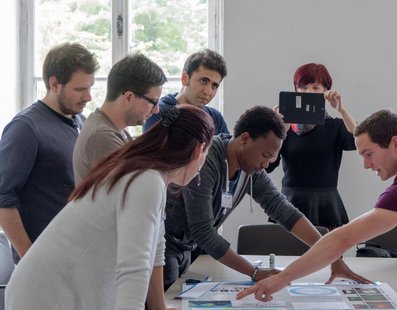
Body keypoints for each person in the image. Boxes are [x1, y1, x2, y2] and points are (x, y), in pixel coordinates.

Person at [5, 105, 212, 310]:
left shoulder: (150, 174)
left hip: (49, 292)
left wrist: (158, 307)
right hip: (46, 300)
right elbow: (134, 264)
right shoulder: (146, 180)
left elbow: (156, 246)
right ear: (199, 150)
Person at [236, 109, 397, 302]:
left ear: (394, 143)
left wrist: (282, 278)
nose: (366, 165)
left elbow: (343, 238)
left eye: (369, 154)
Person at [163, 105, 366, 290]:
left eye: (272, 158)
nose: (267, 164)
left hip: (191, 251)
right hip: (166, 248)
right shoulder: (208, 161)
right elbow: (203, 232)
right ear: (244, 139)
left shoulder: (250, 170)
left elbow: (282, 209)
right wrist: (254, 272)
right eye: (265, 155)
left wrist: (331, 255)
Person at [0, 43, 98, 263]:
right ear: (54, 84)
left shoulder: (80, 122)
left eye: (90, 87)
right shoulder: (25, 128)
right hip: (45, 262)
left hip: (79, 255)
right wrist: (30, 259)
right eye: (80, 89)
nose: (88, 96)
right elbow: (3, 199)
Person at [266, 63, 357, 230]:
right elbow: (268, 165)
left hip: (326, 204)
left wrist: (341, 109)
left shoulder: (334, 126)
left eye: (316, 88)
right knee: (286, 254)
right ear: (296, 90)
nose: (309, 92)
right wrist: (279, 132)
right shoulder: (285, 127)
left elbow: (359, 138)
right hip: (290, 200)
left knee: (329, 255)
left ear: (326, 91)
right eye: (304, 87)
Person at [73, 53, 167, 183]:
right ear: (128, 97)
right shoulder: (102, 136)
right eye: (153, 102)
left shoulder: (113, 129)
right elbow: (135, 190)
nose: (156, 109)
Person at [144, 49, 228, 134]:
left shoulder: (216, 118)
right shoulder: (156, 112)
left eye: (214, 86)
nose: (208, 92)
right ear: (185, 78)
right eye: (203, 81)